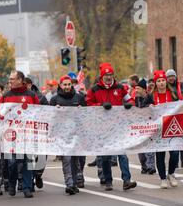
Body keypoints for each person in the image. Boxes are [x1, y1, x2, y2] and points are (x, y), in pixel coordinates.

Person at [86, 63, 137, 191]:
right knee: (105, 156)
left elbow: (130, 99)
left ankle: (127, 180)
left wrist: (129, 104)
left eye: (111, 75)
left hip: (118, 126)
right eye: (106, 75)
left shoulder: (120, 88)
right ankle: (108, 181)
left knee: (122, 154)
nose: (109, 77)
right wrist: (101, 105)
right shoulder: (94, 89)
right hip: (102, 128)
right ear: (102, 76)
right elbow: (87, 104)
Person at [0, 70, 40, 198]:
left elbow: (39, 111)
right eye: (9, 79)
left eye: (12, 79)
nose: (10, 82)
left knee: (27, 161)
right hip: (11, 135)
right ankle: (12, 183)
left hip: (27, 134)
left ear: (20, 80)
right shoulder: (6, 96)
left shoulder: (31, 95)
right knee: (12, 162)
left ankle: (26, 188)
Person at [49, 75, 87, 195]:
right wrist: (55, 110)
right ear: (60, 85)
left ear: (72, 85)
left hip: (76, 133)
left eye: (69, 84)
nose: (67, 86)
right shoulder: (54, 100)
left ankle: (74, 183)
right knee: (66, 159)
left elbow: (87, 115)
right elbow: (49, 116)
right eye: (64, 84)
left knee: (76, 160)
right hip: (62, 134)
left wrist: (82, 110)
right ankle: (69, 184)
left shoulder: (79, 98)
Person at [150, 70, 180, 189]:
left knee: (175, 153)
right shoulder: (151, 96)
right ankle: (163, 178)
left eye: (163, 80)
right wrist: (148, 107)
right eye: (159, 81)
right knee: (160, 156)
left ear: (166, 81)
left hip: (171, 128)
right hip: (158, 130)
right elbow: (142, 109)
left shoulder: (173, 94)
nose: (161, 83)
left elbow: (180, 106)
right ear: (155, 83)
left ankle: (171, 173)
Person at [166, 69, 183, 169]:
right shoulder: (166, 88)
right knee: (173, 141)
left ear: (175, 76)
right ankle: (174, 162)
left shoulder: (182, 86)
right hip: (171, 116)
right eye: (169, 77)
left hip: (182, 115)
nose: (171, 78)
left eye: (172, 76)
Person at [134, 79, 156, 175]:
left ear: (143, 89)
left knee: (150, 147)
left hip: (149, 125)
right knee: (141, 149)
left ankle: (151, 166)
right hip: (139, 126)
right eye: (135, 89)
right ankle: (144, 166)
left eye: (138, 88)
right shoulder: (136, 99)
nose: (136, 91)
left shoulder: (150, 97)